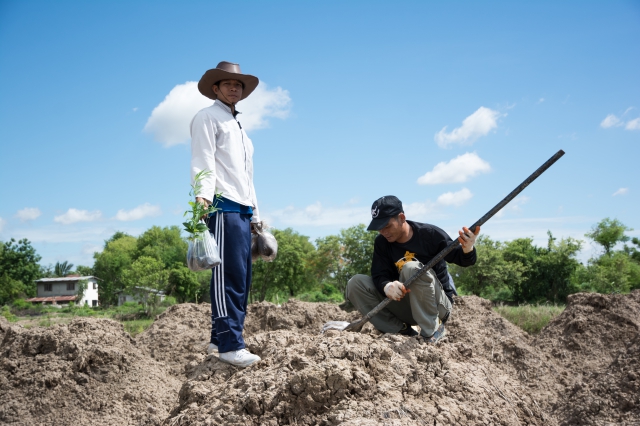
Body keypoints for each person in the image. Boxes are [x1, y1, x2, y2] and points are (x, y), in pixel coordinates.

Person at [190, 61, 262, 367]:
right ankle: (231, 345)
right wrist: (202, 198)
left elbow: (247, 175)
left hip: (243, 209)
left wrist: (256, 214)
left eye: (238, 85)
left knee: (242, 278)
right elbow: (203, 159)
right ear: (215, 88)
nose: (234, 88)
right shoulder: (207, 117)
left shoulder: (240, 128)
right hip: (222, 206)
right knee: (227, 277)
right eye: (228, 84)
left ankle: (218, 339)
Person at [346, 195, 479, 342]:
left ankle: (432, 330)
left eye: (387, 226)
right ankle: (400, 331)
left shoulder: (430, 234)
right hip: (407, 306)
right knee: (355, 283)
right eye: (379, 228)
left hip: (437, 306)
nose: (383, 232)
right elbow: (379, 274)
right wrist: (387, 286)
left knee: (411, 268)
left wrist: (468, 248)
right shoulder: (382, 243)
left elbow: (462, 259)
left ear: (401, 218)